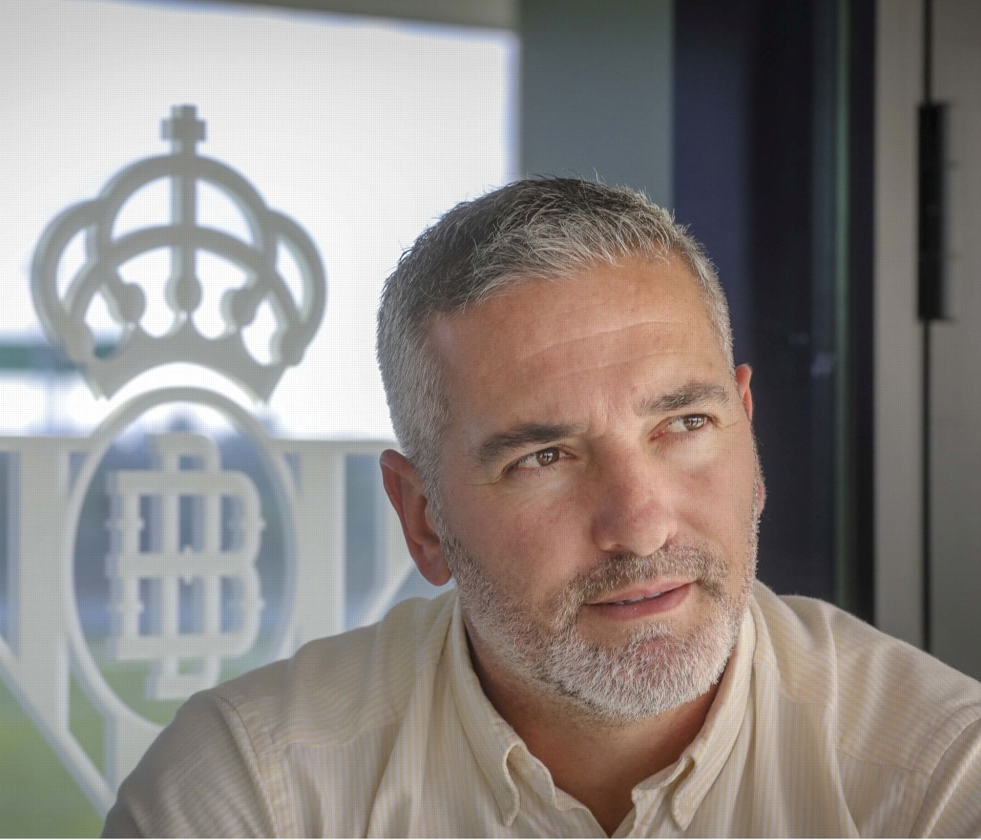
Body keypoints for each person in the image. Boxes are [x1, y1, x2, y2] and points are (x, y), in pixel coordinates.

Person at [103, 178, 981, 837]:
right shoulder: (253, 792)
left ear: (747, 436)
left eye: (683, 423)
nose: (639, 524)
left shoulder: (938, 776)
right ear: (421, 518)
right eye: (545, 458)